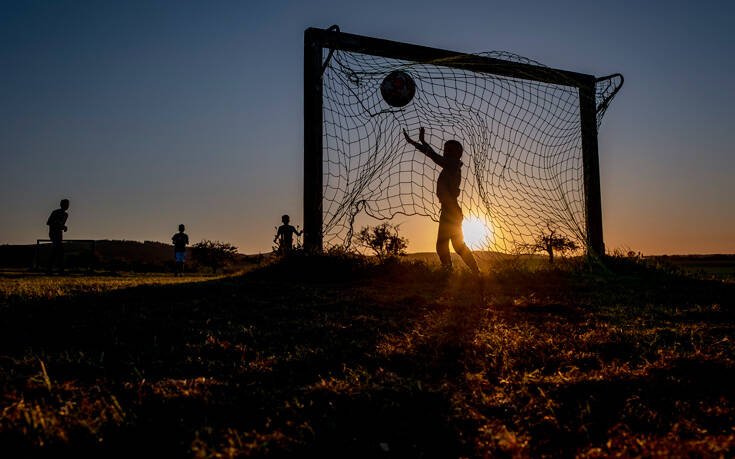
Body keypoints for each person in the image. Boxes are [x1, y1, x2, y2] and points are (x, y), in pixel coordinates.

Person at [404, 127, 479, 274]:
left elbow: (433, 156)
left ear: (458, 154)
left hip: (451, 210)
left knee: (449, 245)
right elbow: (434, 155)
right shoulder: (450, 166)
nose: (446, 152)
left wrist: (420, 142)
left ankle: (461, 271)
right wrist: (419, 142)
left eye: (450, 150)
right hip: (449, 209)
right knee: (449, 245)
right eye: (445, 149)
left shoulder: (453, 165)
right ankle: (461, 271)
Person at [46, 199, 70, 273]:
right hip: (54, 234)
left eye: (67, 204)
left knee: (56, 251)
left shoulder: (66, 215)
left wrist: (63, 227)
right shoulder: (55, 212)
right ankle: (59, 269)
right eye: (65, 204)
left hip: (59, 235)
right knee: (59, 251)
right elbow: (49, 222)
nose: (67, 206)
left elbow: (61, 225)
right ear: (61, 204)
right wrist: (57, 224)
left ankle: (51, 269)